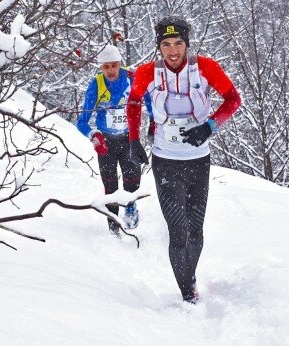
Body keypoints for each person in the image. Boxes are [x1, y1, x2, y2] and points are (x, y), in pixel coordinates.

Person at [126, 17, 241, 303]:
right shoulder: (146, 73)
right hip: (165, 160)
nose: (173, 50)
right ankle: (187, 292)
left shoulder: (206, 68)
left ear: (187, 45)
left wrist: (209, 127)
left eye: (178, 43)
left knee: (195, 229)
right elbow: (133, 102)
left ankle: (190, 277)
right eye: (166, 45)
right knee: (178, 230)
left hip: (198, 160)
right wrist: (133, 139)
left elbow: (233, 100)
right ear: (159, 48)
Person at [77, 45, 154, 237]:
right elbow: (82, 122)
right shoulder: (96, 85)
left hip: (129, 139)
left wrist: (153, 121)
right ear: (100, 68)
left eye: (114, 65)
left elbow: (149, 98)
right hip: (107, 144)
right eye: (106, 67)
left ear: (120, 64)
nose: (110, 71)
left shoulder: (131, 78)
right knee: (110, 185)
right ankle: (113, 223)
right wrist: (94, 136)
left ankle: (130, 206)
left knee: (132, 179)